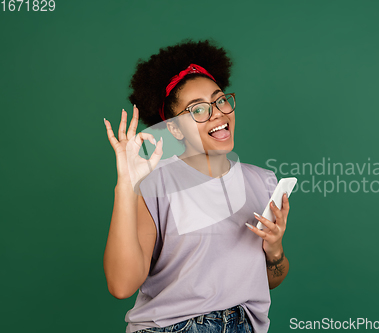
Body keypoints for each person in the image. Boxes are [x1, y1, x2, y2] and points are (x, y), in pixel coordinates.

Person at [103, 39, 291, 333]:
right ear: (175, 128)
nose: (217, 112)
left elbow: (270, 280)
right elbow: (121, 285)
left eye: (220, 100)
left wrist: (274, 249)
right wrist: (126, 186)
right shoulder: (156, 182)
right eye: (197, 110)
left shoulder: (262, 182)